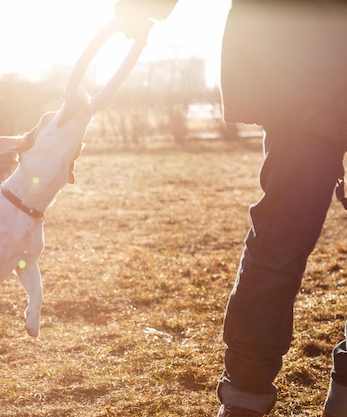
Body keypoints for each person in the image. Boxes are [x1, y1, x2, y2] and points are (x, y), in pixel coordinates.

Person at [114, 1, 347, 416]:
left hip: (301, 59)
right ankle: (245, 398)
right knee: (281, 238)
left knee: (278, 241)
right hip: (305, 59)